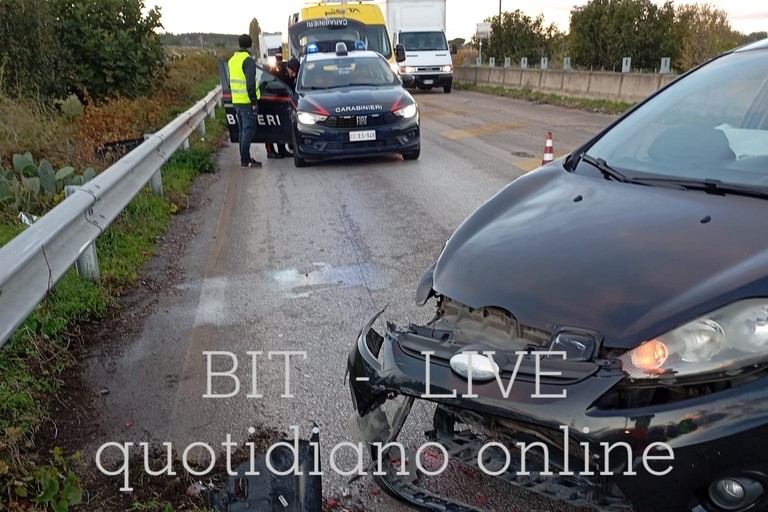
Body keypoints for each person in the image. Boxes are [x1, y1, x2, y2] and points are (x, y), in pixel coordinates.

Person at [228, 34, 262, 168]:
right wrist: (254, 102)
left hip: (236, 101)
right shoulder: (248, 61)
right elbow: (250, 84)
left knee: (243, 131)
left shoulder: (232, 60)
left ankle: (244, 158)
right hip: (247, 102)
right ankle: (245, 160)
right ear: (250, 45)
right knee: (248, 131)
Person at [265, 51, 293, 159]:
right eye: (278, 57)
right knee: (270, 127)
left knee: (282, 126)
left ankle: (282, 149)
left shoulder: (290, 70)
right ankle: (270, 151)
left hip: (282, 101)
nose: (279, 58)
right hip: (270, 99)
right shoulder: (274, 69)